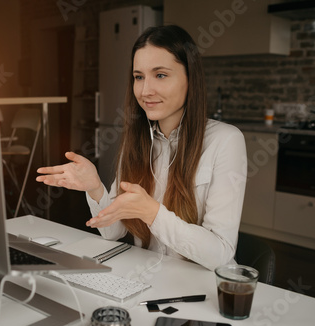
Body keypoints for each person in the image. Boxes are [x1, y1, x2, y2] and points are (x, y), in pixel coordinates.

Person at [36, 25, 247, 271]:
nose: (146, 91)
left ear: (191, 79)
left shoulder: (226, 141)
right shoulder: (137, 140)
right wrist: (95, 188)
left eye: (160, 75)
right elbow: (112, 233)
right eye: (139, 77)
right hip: (150, 280)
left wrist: (153, 213)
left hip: (205, 289)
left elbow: (220, 254)